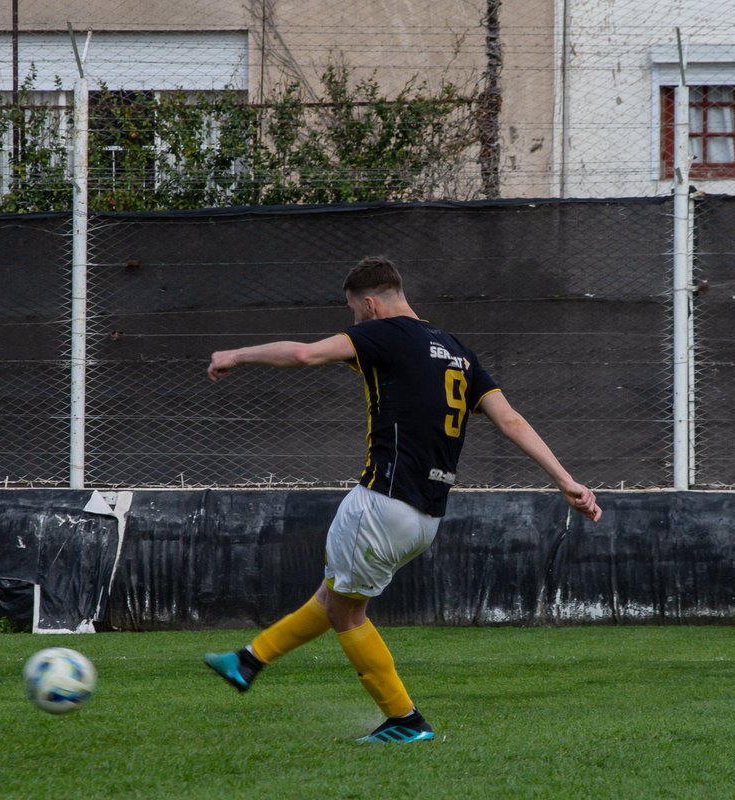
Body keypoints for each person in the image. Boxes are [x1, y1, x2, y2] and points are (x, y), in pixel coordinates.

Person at [203, 255, 602, 744]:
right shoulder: (457, 350)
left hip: (380, 500)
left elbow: (306, 355)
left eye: (353, 312)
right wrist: (566, 480)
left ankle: (405, 720)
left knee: (347, 612)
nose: (354, 322)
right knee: (334, 595)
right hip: (425, 517)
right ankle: (248, 660)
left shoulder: (383, 333)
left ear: (370, 304)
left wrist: (238, 354)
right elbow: (511, 419)